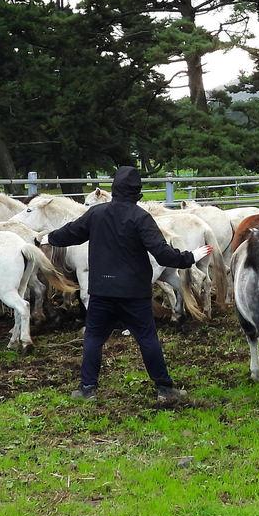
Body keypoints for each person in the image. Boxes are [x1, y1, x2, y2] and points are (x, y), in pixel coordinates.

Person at [40, 166, 213, 403]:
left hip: (102, 291)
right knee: (147, 339)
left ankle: (87, 388)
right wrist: (189, 257)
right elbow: (162, 254)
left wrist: (48, 237)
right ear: (137, 192)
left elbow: (72, 233)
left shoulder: (96, 213)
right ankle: (164, 388)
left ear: (114, 189)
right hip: (134, 292)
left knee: (94, 337)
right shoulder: (140, 217)